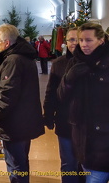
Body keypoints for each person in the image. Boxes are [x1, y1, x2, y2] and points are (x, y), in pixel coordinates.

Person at [0, 23, 45, 183]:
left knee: (15, 165)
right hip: (23, 121)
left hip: (14, 123)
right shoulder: (22, 57)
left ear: (7, 43)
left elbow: (8, 94)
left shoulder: (12, 61)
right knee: (21, 162)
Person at [60, 23, 109, 182]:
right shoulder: (75, 62)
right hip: (84, 136)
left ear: (101, 40)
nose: (83, 44)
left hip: (104, 135)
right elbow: (61, 96)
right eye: (81, 40)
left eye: (88, 40)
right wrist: (69, 80)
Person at [44, 27, 82, 183]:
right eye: (70, 40)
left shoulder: (92, 63)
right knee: (68, 163)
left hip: (85, 122)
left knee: (84, 164)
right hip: (65, 120)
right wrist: (48, 114)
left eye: (77, 39)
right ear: (66, 42)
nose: (74, 43)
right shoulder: (59, 63)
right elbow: (51, 91)